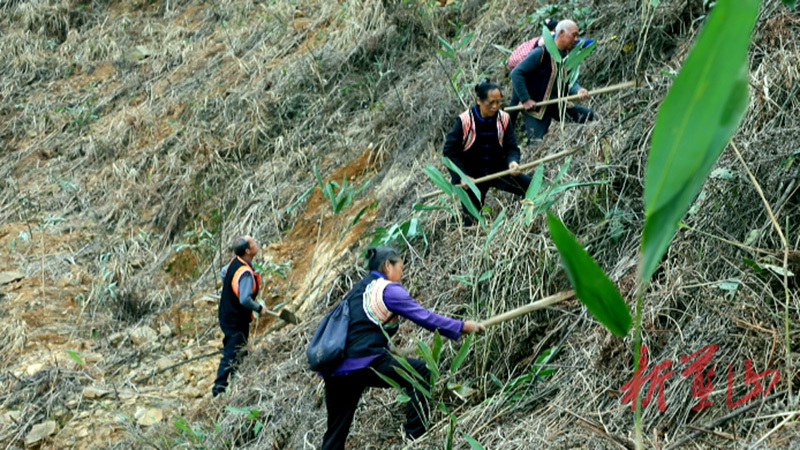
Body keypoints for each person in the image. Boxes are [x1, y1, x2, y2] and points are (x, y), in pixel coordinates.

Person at [320, 247, 485, 449]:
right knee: (421, 372)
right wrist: (461, 327)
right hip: (364, 362)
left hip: (336, 368)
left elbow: (358, 329)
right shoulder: (387, 289)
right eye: (401, 267)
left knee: (335, 433)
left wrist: (387, 348)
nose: (402, 273)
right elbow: (425, 317)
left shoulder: (357, 291)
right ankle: (416, 439)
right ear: (388, 265)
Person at [443, 79, 532, 226]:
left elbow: (511, 147)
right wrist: (461, 177)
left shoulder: (504, 118)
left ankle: (528, 220)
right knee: (471, 223)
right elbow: (449, 152)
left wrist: (512, 161)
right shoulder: (465, 121)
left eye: (498, 102)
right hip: (472, 177)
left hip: (498, 170)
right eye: (491, 103)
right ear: (479, 100)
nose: (495, 106)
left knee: (531, 187)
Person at [510, 19, 595, 145]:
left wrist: (579, 90)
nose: (576, 39)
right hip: (536, 108)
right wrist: (525, 99)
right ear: (561, 33)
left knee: (588, 116)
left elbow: (569, 80)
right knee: (536, 143)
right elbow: (516, 73)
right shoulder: (541, 53)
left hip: (556, 103)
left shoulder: (568, 56)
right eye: (574, 35)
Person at [212, 235, 265, 397]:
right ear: (248, 251)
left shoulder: (234, 263)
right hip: (235, 319)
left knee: (238, 348)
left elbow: (224, 274)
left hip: (226, 315)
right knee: (231, 351)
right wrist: (258, 308)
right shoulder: (246, 273)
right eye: (253, 242)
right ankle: (219, 389)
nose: (256, 243)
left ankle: (237, 380)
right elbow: (244, 299)